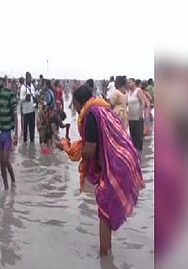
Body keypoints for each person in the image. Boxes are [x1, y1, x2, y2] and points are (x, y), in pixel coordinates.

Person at [56, 85, 144, 256]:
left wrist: (67, 147)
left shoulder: (90, 115)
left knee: (104, 209)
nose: (73, 107)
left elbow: (89, 150)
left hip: (116, 164)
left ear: (78, 102)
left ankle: (104, 255)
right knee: (107, 206)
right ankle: (107, 255)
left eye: (73, 104)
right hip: (125, 158)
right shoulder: (103, 109)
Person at [0, 74, 18, 190]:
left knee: (6, 160)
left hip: (8, 132)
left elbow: (15, 115)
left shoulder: (9, 94)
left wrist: (16, 134)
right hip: (0, 132)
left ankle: (13, 180)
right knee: (1, 161)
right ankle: (6, 186)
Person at [127, 78, 147, 151]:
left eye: (130, 82)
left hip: (138, 116)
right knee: (133, 136)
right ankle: (135, 153)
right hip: (131, 117)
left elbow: (143, 101)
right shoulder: (128, 92)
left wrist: (141, 113)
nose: (129, 84)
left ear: (134, 83)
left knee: (139, 136)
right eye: (128, 83)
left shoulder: (138, 91)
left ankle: (140, 152)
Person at [19, 72, 37, 143]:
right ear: (26, 79)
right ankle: (25, 141)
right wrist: (25, 98)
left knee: (32, 127)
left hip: (32, 110)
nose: (29, 79)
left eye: (30, 78)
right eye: (28, 78)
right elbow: (20, 99)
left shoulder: (32, 86)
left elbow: (34, 96)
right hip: (26, 111)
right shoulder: (23, 87)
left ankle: (32, 141)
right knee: (25, 128)